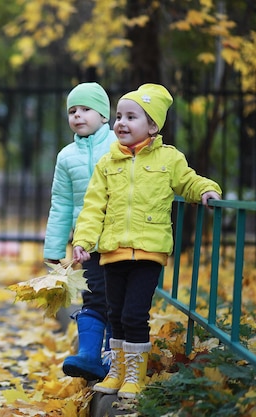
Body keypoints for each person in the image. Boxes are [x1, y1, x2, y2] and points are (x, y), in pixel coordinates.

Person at [71, 83, 222, 399]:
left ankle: (134, 377)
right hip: (113, 252)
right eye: (119, 116)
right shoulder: (108, 162)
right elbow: (93, 205)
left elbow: (188, 181)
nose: (121, 123)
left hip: (148, 252)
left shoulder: (169, 159)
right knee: (116, 314)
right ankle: (118, 371)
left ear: (152, 125)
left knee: (133, 314)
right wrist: (83, 240)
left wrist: (208, 190)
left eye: (131, 117)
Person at [43, 82, 116, 381]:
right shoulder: (66, 156)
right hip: (86, 244)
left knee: (119, 300)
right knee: (94, 295)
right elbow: (60, 203)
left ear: (104, 115)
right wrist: (54, 247)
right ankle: (88, 355)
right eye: (73, 110)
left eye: (86, 109)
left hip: (121, 239)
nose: (78, 115)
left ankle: (115, 357)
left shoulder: (118, 147)